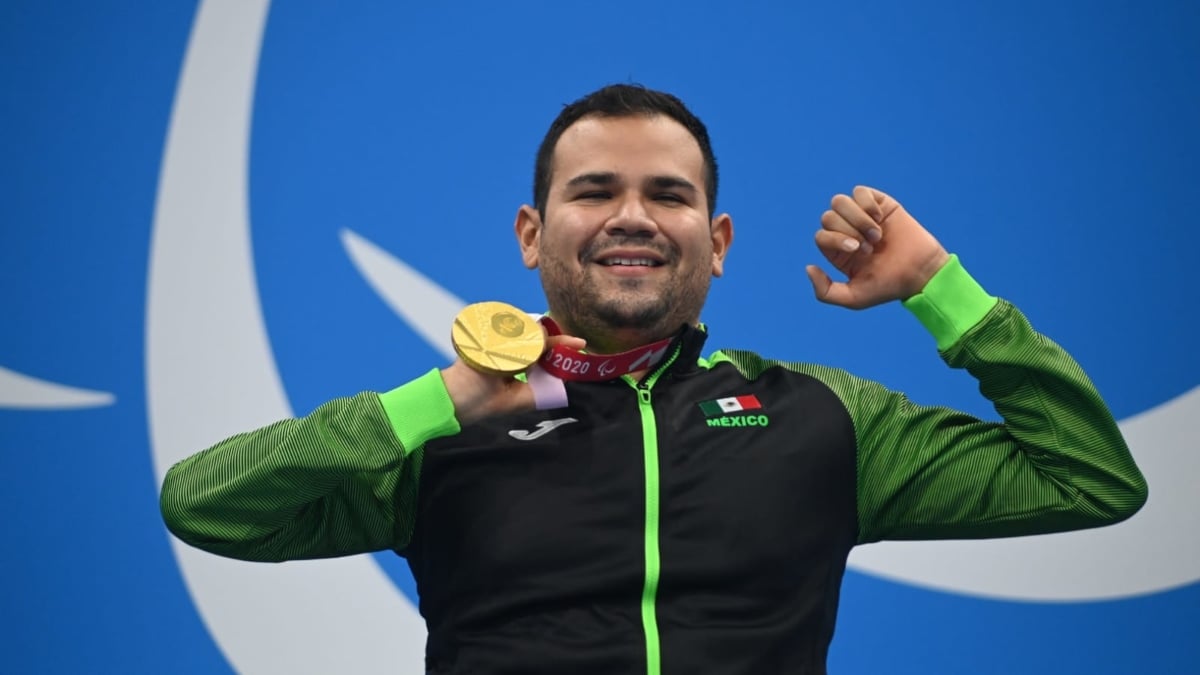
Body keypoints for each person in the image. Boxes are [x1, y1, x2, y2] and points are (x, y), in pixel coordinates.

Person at [160, 84, 1148, 674]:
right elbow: (205, 507)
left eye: (668, 196)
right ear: (531, 234)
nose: (633, 215)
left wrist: (941, 289)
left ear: (715, 244)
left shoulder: (821, 418)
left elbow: (1090, 480)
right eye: (594, 191)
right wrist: (438, 404)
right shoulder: (438, 431)